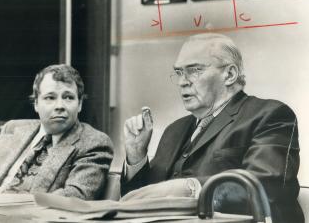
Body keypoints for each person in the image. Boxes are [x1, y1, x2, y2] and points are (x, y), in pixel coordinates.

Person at [121, 33, 304, 223]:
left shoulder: (270, 115)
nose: (182, 81)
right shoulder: (174, 130)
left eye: (194, 70)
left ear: (230, 74)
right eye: (178, 72)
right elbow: (135, 204)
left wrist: (191, 188)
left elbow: (264, 187)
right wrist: (136, 157)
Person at [0, 64, 113, 200]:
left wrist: (2, 201)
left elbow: (75, 196)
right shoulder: (13, 129)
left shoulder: (94, 143)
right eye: (50, 97)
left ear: (79, 104)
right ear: (36, 104)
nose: (60, 106)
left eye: (68, 97)